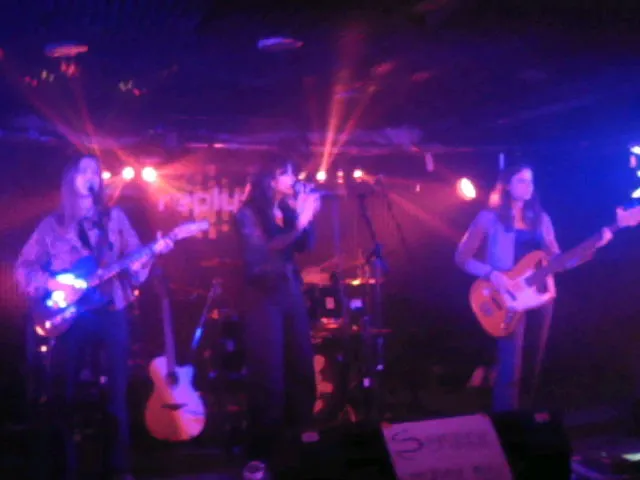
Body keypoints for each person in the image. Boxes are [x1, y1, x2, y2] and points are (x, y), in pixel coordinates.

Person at [15, 155, 174, 480]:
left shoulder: (114, 218)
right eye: (85, 170)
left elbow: (135, 265)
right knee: (63, 394)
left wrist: (148, 257)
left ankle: (118, 468)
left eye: (96, 172)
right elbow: (23, 268)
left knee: (116, 393)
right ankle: (64, 469)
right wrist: (54, 283)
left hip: (111, 311)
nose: (93, 176)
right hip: (70, 317)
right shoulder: (52, 225)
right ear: (70, 178)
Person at [454, 164, 612, 411]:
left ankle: (526, 418)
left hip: (541, 297)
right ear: (507, 185)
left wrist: (594, 246)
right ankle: (506, 421)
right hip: (507, 296)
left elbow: (559, 261)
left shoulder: (542, 219)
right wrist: (492, 274)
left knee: (533, 363)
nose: (528, 186)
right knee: (510, 367)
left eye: (531, 181)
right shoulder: (489, 217)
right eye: (521, 180)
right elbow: (462, 257)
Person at [235, 158, 321, 477]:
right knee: (268, 377)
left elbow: (305, 245)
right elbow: (263, 251)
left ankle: (298, 444)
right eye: (287, 173)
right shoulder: (248, 213)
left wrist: (304, 216)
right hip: (262, 297)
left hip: (289, 292)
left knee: (302, 368)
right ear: (271, 179)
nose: (293, 178)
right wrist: (300, 222)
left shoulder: (285, 209)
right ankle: (261, 454)